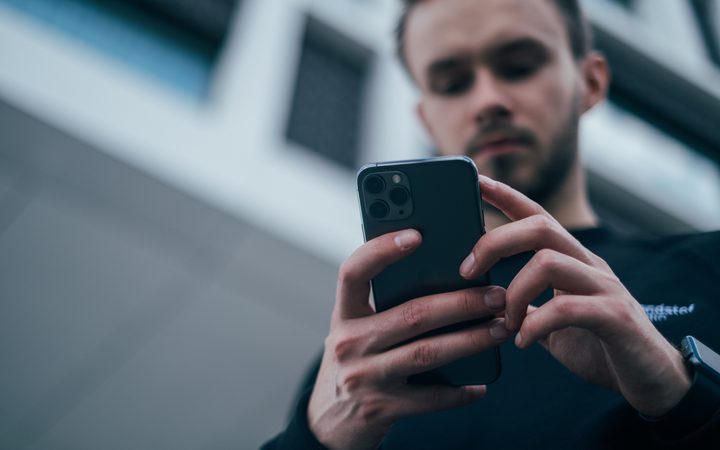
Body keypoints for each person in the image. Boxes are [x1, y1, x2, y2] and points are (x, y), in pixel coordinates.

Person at [261, 0, 720, 448]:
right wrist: (315, 438)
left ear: (590, 81)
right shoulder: (360, 361)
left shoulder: (708, 266)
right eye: (452, 83)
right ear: (427, 120)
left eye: (519, 66)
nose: (488, 101)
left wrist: (680, 390)